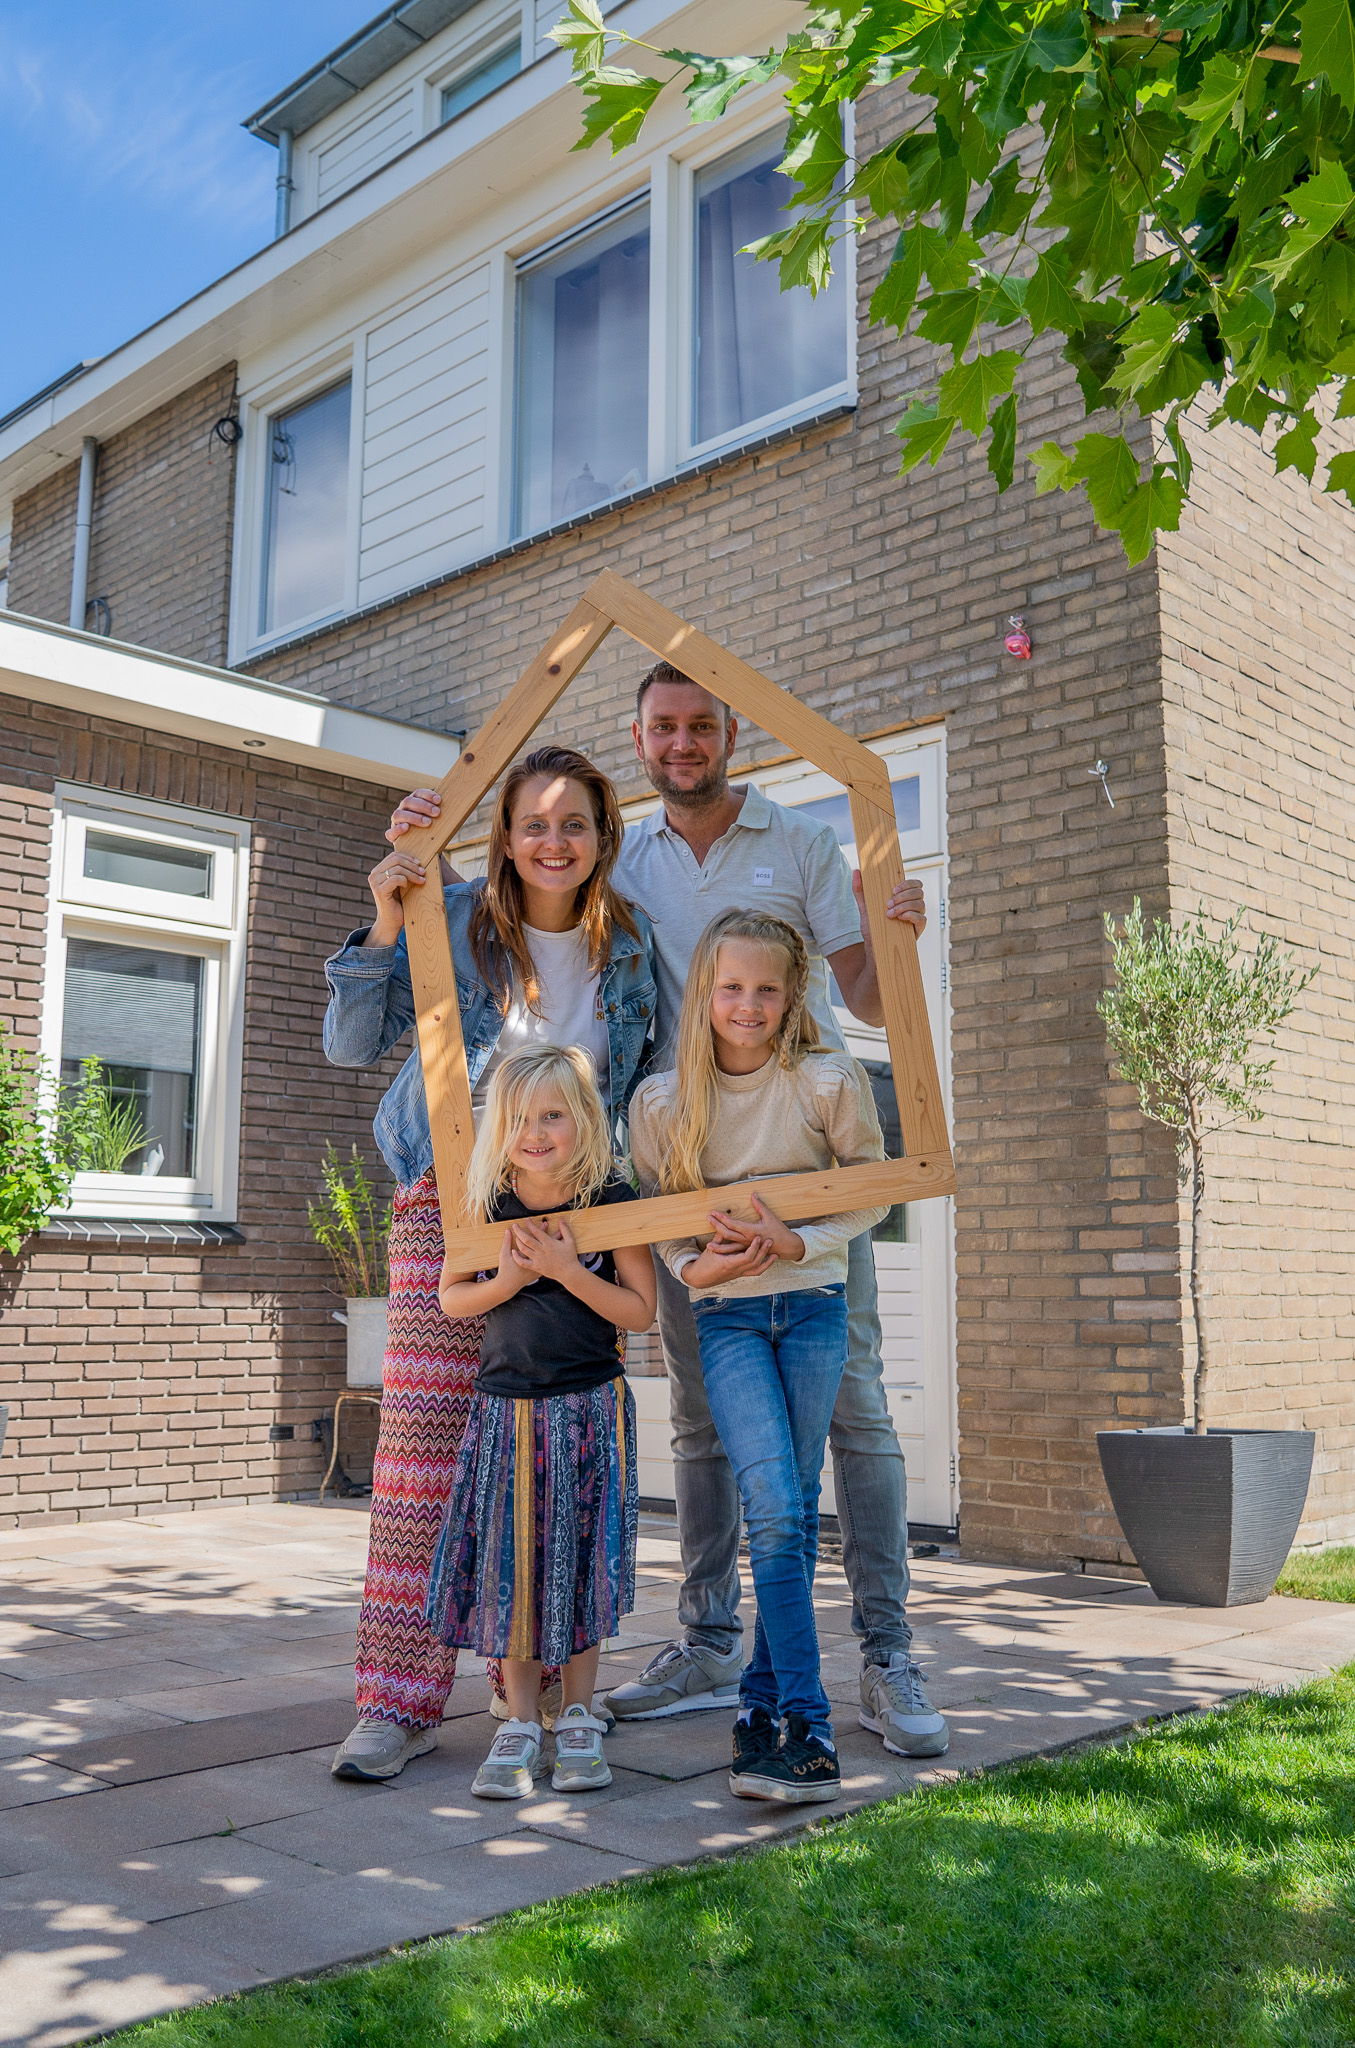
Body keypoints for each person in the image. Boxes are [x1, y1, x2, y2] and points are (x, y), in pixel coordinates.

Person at [386, 663, 948, 1763]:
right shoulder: (624, 858)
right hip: (681, 1161)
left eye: (700, 725)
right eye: (662, 728)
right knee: (696, 1417)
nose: (682, 743)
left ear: (732, 731)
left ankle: (886, 1651)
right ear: (637, 740)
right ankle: (708, 1640)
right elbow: (516, 905)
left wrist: (900, 934)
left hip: (806, 1162)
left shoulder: (802, 842)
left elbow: (872, 999)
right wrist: (423, 839)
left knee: (858, 1411)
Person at [322, 747, 654, 1782]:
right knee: (424, 1452)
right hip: (452, 1202)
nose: (554, 842)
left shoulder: (630, 948)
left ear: (605, 836)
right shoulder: (452, 915)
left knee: (558, 1455)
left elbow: (655, 1086)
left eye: (576, 824)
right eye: (533, 822)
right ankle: (397, 1700)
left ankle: (550, 1695)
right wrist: (389, 907)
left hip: (582, 1217)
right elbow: (347, 1041)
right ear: (504, 834)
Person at [630, 911, 887, 1801]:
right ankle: (807, 1728)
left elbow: (871, 1198)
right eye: (730, 987)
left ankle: (755, 1713)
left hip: (814, 1309)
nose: (747, 1005)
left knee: (790, 1506)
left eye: (766, 990)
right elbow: (663, 1226)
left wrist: (795, 1243)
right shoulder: (662, 1103)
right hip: (728, 1322)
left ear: (793, 997)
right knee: (774, 1503)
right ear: (703, 992)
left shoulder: (825, 1082)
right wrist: (693, 1268)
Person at [426, 1044, 656, 1799]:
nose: (536, 1130)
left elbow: (640, 1311)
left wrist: (563, 1272)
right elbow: (452, 1298)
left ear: (583, 1118)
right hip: (507, 1410)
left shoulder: (609, 1198)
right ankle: (520, 1722)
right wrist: (511, 1278)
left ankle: (581, 1716)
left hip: (589, 1406)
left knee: (584, 1563)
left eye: (552, 1114)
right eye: (521, 1116)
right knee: (515, 1567)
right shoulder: (485, 1199)